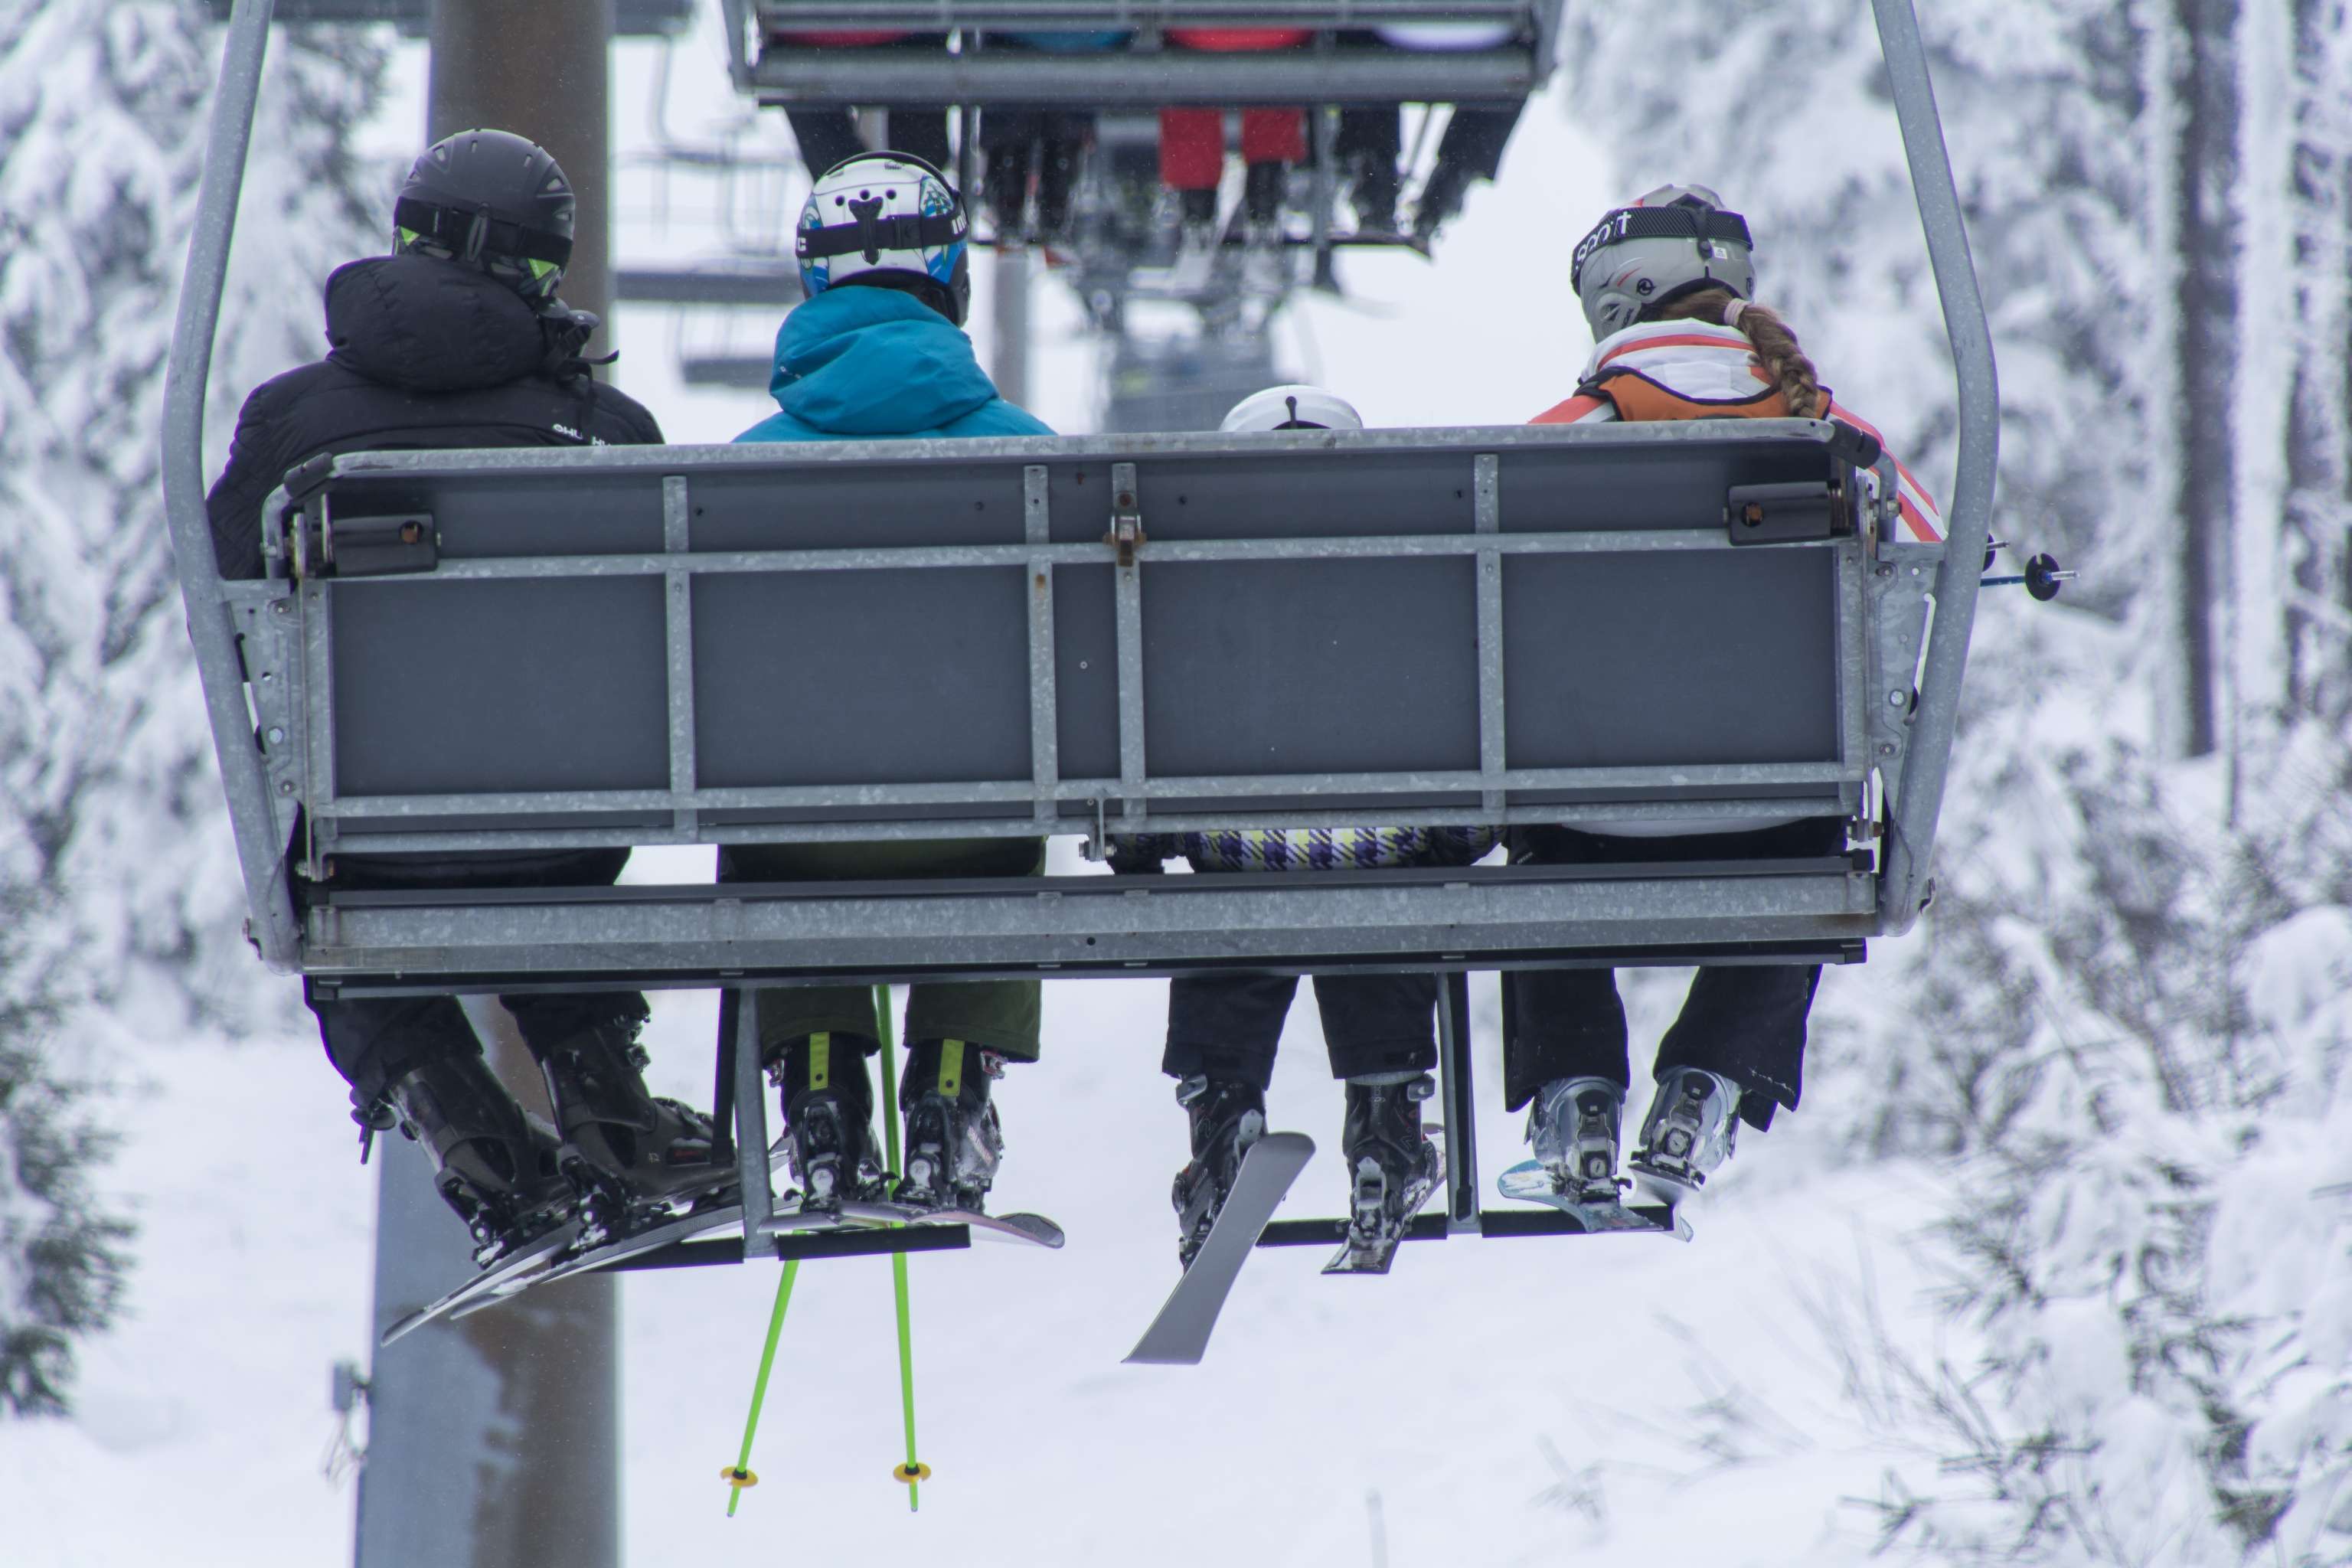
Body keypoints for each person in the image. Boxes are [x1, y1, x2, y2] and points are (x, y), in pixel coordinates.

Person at [204, 129, 724, 1264]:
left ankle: (469, 1131)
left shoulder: (290, 426)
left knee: (333, 892)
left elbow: (230, 611)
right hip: (564, 831)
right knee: (545, 837)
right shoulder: (604, 433)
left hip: (364, 833)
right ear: (543, 269)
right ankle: (603, 1102)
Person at [1506, 184, 1943, 1211]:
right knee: (1818, 842)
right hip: (1779, 813)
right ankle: (1710, 1076)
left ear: (1615, 304)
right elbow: (1933, 577)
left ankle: (1575, 1091)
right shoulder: (1841, 439)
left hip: (1584, 824)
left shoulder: (1550, 443)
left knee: (1535, 843)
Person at [729, 151, 1056, 1217]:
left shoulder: (726, 483)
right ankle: (952, 1083)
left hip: (800, 838)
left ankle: (821, 1087)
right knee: (1020, 781)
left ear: (816, 289)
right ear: (951, 280)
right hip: (975, 828)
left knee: (763, 800)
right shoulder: (1035, 464)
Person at [1110, 384, 1492, 1268]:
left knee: (1232, 926)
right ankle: (1386, 1123)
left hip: (1232, 851)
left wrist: (1140, 844)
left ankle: (1223, 1124)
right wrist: (1457, 840)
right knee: (1382, 910)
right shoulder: (1413, 578)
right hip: (1380, 847)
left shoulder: (1181, 582)